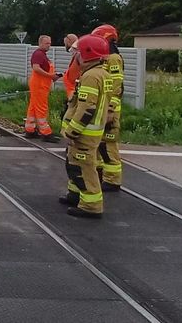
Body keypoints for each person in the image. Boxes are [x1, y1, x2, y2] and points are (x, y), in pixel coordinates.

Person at [58, 34, 111, 218]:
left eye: (78, 53)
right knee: (75, 163)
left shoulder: (91, 76)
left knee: (83, 167)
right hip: (91, 131)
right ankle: (75, 194)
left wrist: (72, 130)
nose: (76, 57)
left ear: (87, 53)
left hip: (84, 133)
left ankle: (91, 205)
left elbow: (87, 108)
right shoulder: (101, 74)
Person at [91, 24, 125, 191]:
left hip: (110, 110)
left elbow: (116, 87)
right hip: (102, 108)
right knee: (98, 144)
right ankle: (101, 174)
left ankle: (113, 180)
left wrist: (111, 109)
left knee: (108, 146)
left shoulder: (113, 59)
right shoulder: (105, 58)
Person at [24, 35, 60, 142]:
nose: (49, 45)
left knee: (33, 107)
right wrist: (51, 76)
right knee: (41, 108)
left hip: (40, 84)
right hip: (39, 85)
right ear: (40, 43)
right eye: (46, 43)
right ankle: (46, 133)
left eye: (49, 43)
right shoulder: (39, 54)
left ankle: (30, 129)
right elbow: (36, 68)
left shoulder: (41, 54)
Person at [61, 33, 81, 103]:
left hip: (74, 90)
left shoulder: (76, 50)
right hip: (73, 89)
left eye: (65, 43)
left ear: (69, 41)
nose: (65, 45)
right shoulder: (78, 51)